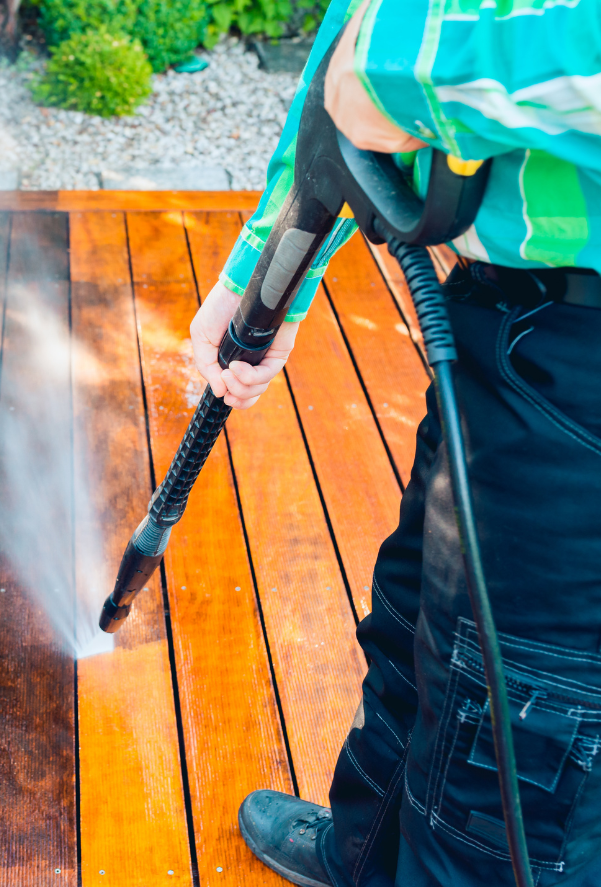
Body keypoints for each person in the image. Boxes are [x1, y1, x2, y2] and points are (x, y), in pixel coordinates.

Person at [190, 0, 601, 884]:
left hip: (587, 360)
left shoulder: (409, 65)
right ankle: (366, 854)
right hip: (509, 321)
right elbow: (362, 28)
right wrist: (267, 273)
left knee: (515, 737)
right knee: (420, 631)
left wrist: (404, 70)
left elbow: (376, 57)